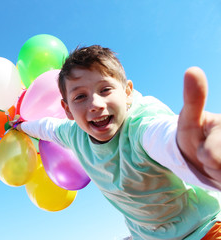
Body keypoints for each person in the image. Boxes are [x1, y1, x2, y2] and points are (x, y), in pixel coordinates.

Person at [14, 45, 221, 239]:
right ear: (67, 109)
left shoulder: (142, 124)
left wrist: (190, 150)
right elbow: (46, 127)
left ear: (127, 92)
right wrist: (20, 126)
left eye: (105, 90)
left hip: (203, 229)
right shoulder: (74, 134)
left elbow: (161, 135)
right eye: (80, 97)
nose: (95, 104)